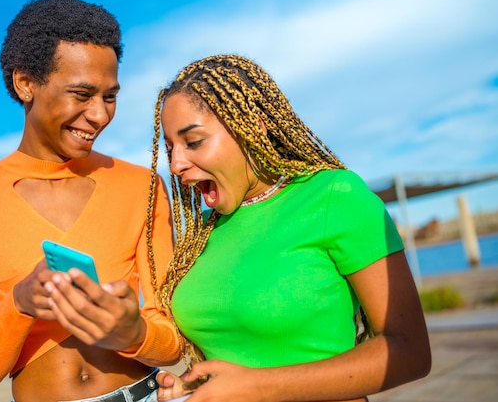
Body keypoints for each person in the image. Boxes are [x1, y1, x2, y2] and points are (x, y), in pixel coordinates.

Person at [144, 54, 431, 402]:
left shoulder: (334, 196)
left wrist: (255, 387)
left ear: (254, 127)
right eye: (171, 148)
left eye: (193, 142)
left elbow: (409, 352)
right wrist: (193, 384)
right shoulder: (201, 234)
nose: (175, 165)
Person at [0, 0, 179, 402]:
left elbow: (171, 342)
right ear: (25, 83)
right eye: (82, 94)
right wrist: (20, 304)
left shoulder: (145, 187)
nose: (100, 115)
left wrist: (133, 332)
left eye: (110, 96)